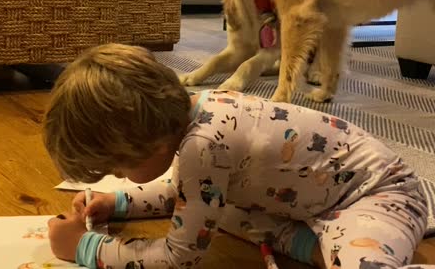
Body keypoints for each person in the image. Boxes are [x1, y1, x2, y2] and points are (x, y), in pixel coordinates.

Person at [43, 43, 431, 269]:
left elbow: (180, 257)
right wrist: (120, 203)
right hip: (315, 196)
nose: (121, 176)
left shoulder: (203, 147)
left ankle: (341, 241)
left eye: (118, 168)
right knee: (217, 208)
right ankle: (314, 244)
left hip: (379, 194)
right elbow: (190, 190)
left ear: (154, 143)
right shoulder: (192, 113)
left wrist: (84, 247)